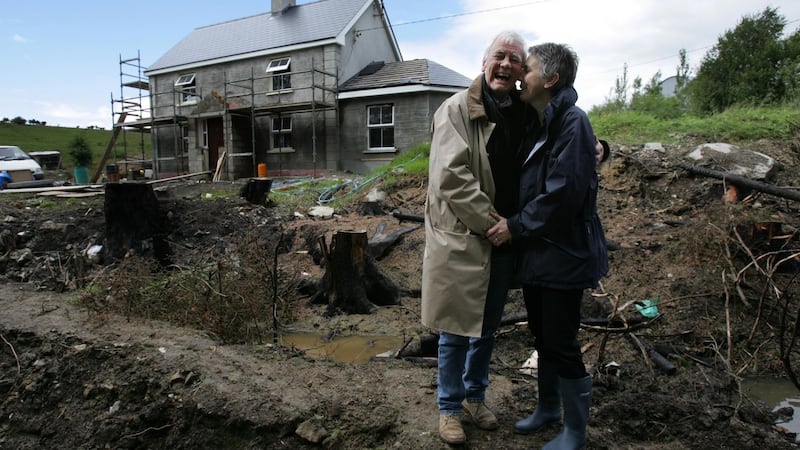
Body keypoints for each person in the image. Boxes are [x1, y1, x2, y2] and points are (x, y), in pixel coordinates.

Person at [487, 42, 608, 449]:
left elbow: (563, 194)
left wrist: (516, 226)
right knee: (543, 336)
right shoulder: (542, 121)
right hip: (541, 254)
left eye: (531, 68)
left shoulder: (572, 122)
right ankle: (548, 409)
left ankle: (575, 432)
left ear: (551, 79)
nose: (522, 75)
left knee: (560, 340)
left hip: (563, 253)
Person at [421, 30, 529, 445]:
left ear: (522, 71)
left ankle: (475, 397)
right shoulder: (455, 109)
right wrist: (491, 223)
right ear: (485, 61)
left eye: (514, 60)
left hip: (505, 235)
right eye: (499, 56)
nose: (505, 65)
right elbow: (450, 175)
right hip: (465, 235)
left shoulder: (522, 110)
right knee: (454, 329)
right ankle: (449, 407)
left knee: (487, 328)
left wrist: (599, 147)